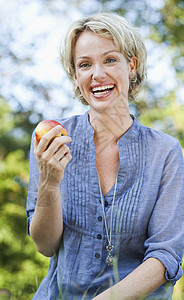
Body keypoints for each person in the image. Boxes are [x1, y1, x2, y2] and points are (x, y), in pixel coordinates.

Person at [26, 12, 184, 300]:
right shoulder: (51, 141)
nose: (97, 74)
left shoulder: (166, 152)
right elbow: (45, 246)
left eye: (110, 60)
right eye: (85, 65)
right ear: (76, 76)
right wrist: (49, 183)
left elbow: (166, 255)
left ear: (131, 65)